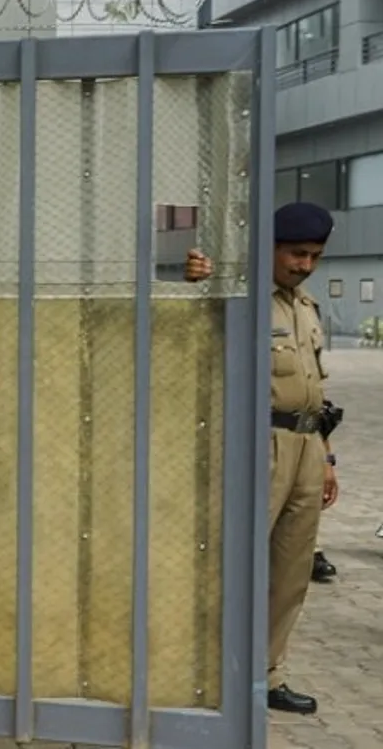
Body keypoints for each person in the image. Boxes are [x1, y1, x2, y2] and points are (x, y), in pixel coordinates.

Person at [184, 200, 340, 716]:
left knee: (292, 568)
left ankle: (267, 674)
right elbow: (197, 329)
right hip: (261, 442)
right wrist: (197, 282)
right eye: (297, 254)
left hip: (308, 446)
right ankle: (205, 671)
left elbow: (318, 387)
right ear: (270, 248)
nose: (305, 265)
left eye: (314, 256)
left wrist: (328, 458)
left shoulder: (305, 307)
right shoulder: (245, 296)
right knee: (236, 561)